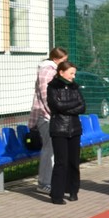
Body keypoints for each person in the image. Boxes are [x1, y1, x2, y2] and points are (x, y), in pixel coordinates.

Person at [46, 60, 87, 206]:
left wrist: (66, 108)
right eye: (71, 73)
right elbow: (56, 105)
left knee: (74, 162)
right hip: (59, 129)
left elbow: (83, 106)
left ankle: (73, 190)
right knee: (61, 163)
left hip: (75, 129)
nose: (73, 76)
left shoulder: (75, 87)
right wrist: (73, 104)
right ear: (61, 72)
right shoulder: (52, 87)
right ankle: (56, 195)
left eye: (74, 74)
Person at [28, 46, 68, 194]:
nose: (65, 62)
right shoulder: (47, 71)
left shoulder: (54, 70)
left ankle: (52, 181)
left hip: (52, 115)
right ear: (56, 59)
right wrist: (55, 112)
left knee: (54, 149)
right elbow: (46, 96)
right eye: (63, 60)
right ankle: (44, 183)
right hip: (45, 115)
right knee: (49, 149)